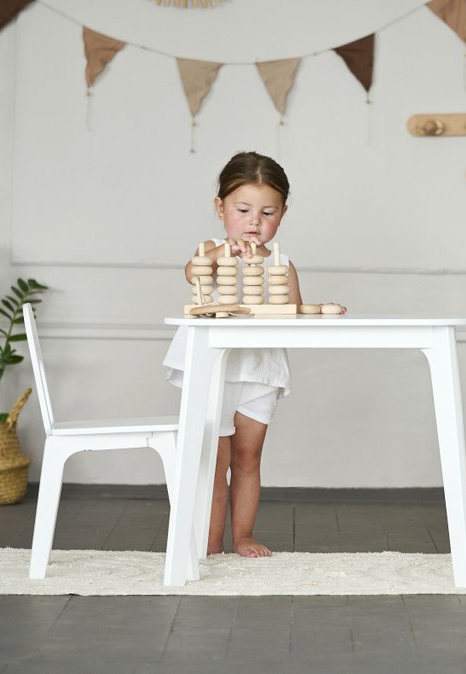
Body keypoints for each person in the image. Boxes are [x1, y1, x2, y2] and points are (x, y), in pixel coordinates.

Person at [163, 151, 302, 558]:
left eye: (267, 212)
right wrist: (227, 252)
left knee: (247, 457)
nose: (254, 222)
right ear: (220, 208)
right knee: (215, 459)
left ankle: (243, 536)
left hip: (259, 368)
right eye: (242, 210)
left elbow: (292, 309)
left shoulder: (282, 263)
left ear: (283, 214)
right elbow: (193, 272)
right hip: (215, 368)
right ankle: (209, 543)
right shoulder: (209, 251)